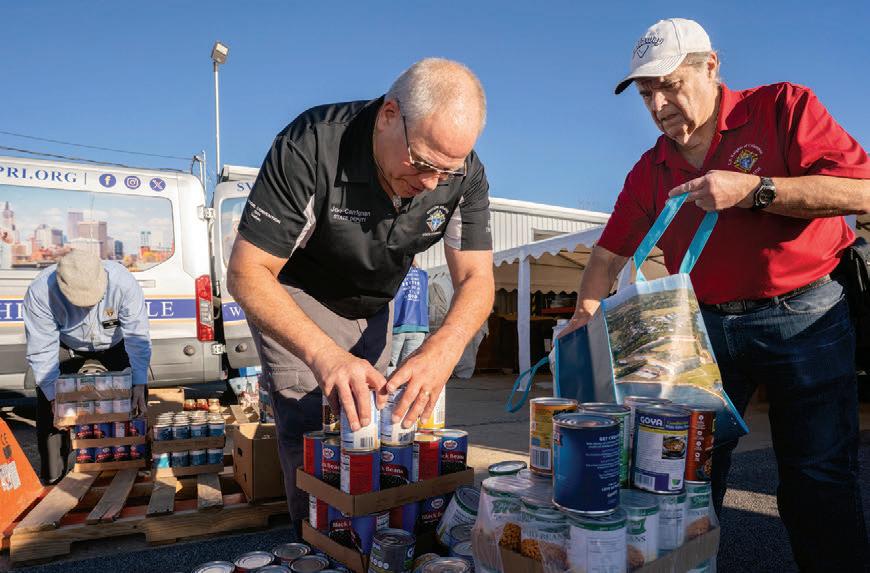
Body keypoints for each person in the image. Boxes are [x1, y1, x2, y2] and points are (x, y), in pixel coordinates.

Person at [561, 18, 869, 571]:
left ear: (711, 66)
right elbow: (606, 257)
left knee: (817, 475)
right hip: (702, 330)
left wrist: (756, 189)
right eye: (646, 93)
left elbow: (862, 191)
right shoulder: (651, 168)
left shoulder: (783, 107)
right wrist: (585, 315)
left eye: (670, 85)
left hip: (806, 317)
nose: (658, 105)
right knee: (687, 474)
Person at [227, 58, 495, 529]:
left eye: (446, 172)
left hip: (374, 304)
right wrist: (325, 356)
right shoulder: (311, 144)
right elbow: (248, 272)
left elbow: (477, 277)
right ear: (389, 115)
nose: (430, 184)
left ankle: (372, 539)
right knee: (313, 422)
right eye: (423, 164)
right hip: (300, 293)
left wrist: (444, 347)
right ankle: (316, 545)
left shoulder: (463, 173)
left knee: (373, 423)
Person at [24, 249, 151, 483]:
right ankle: (54, 477)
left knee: (136, 401)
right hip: (67, 344)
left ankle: (137, 466)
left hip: (114, 344)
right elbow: (42, 350)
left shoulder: (123, 282)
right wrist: (54, 398)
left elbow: (137, 336)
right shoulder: (40, 292)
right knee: (52, 412)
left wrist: (139, 383)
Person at [388, 262, 430, 375]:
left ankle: (389, 385)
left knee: (390, 363)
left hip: (397, 324)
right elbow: (426, 301)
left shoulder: (395, 274)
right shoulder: (423, 275)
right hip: (419, 325)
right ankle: (405, 385)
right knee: (408, 365)